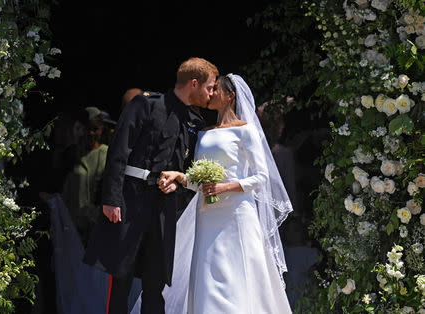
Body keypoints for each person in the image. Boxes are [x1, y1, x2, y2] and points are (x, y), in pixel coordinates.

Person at [146, 74, 293, 313]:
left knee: (237, 275)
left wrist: (225, 187)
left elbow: (261, 177)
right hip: (207, 215)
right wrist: (180, 177)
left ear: (230, 96)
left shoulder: (245, 131)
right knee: (207, 275)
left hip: (236, 213)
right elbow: (200, 181)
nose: (210, 93)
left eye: (216, 90)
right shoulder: (204, 133)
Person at [83, 57, 219, 314]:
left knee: (155, 282)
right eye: (210, 87)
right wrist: (111, 198)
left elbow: (188, 168)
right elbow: (119, 150)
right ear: (194, 83)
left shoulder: (194, 121)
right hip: (130, 201)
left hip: (164, 207)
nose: (211, 94)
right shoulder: (146, 103)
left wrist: (177, 184)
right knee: (121, 278)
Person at [62, 106, 116, 247]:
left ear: (101, 129)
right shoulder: (71, 154)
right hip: (71, 229)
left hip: (96, 228)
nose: (91, 133)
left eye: (95, 129)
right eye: (87, 128)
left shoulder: (107, 154)